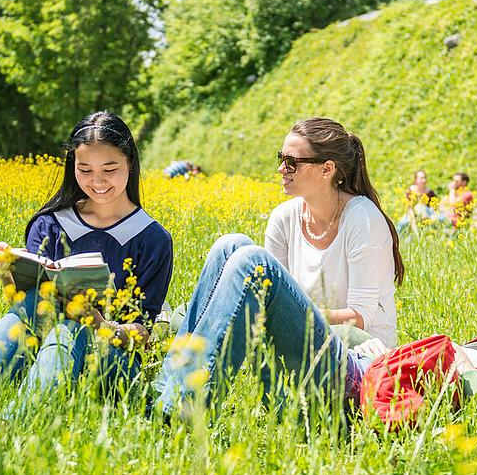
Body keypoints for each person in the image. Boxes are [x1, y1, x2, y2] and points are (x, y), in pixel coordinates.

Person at [152, 117, 403, 417]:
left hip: (355, 364)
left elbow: (363, 317)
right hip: (298, 351)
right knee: (229, 245)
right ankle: (167, 392)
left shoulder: (362, 219)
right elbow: (272, 297)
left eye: (292, 162)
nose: (281, 169)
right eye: (281, 158)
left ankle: (185, 407)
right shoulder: (285, 217)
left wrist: (299, 314)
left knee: (251, 262)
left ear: (327, 169)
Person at [0, 111, 173, 417]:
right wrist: (7, 276)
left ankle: (10, 425)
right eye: (84, 169)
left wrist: (104, 327)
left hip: (112, 362)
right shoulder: (50, 223)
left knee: (73, 328)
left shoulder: (152, 238)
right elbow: (23, 309)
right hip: (44, 353)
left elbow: (145, 331)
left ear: (130, 163)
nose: (97, 181)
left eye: (109, 169)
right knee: (37, 301)